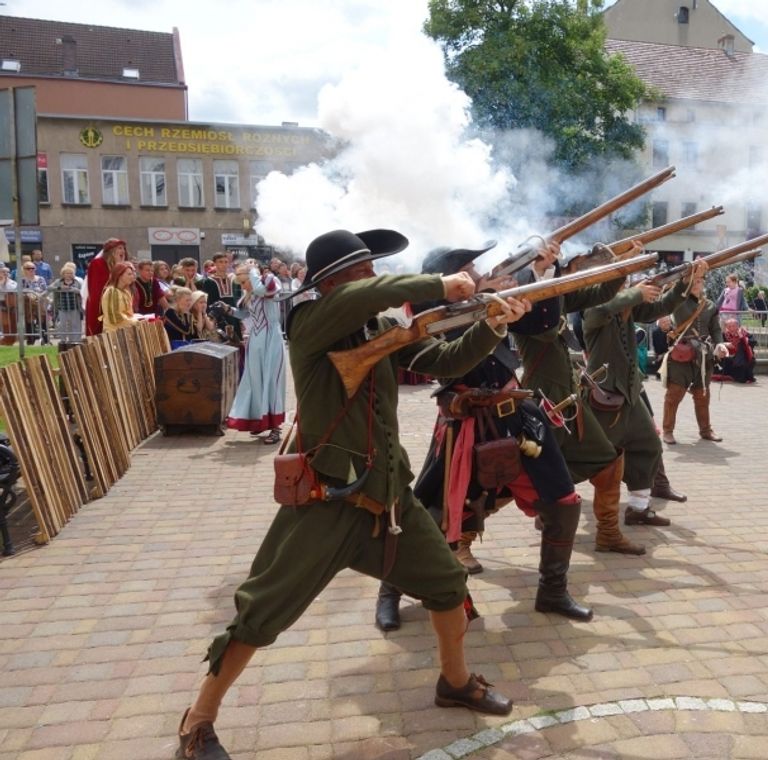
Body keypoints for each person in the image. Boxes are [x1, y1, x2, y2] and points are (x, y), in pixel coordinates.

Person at [175, 229, 527, 759]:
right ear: (334, 282)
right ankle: (197, 721)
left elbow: (445, 360)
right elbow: (361, 297)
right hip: (326, 503)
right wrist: (439, 283)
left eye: (373, 270)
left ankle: (453, 682)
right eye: (362, 271)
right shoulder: (311, 321)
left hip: (388, 499)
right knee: (261, 611)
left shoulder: (379, 325)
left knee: (449, 583)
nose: (372, 278)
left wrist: (493, 325)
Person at [377, 243, 591, 631]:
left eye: (475, 269)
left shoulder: (487, 301)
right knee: (428, 515)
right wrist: (483, 304)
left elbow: (541, 322)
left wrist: (539, 272)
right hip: (466, 423)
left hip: (517, 415)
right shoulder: (435, 316)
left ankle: (553, 591)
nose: (477, 274)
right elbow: (452, 356)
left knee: (563, 501)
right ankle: (390, 590)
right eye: (468, 270)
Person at [512, 243, 647, 555]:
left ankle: (608, 534)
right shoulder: (529, 303)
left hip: (568, 400)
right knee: (518, 476)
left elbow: (599, 293)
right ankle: (463, 540)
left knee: (608, 458)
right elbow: (545, 325)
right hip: (543, 401)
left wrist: (620, 267)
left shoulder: (558, 295)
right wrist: (546, 272)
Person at [583, 256, 705, 526]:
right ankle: (552, 506)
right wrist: (634, 293)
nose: (625, 285)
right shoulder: (594, 310)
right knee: (590, 456)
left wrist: (685, 286)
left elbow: (659, 308)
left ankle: (638, 508)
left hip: (629, 391)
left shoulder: (627, 309)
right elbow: (604, 309)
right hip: (603, 394)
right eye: (620, 282)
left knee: (649, 444)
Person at [661, 268, 728, 442]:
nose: (698, 282)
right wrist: (663, 322)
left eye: (700, 280)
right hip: (682, 352)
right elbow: (663, 308)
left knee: (702, 394)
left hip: (704, 354)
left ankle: (706, 431)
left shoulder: (710, 305)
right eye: (694, 280)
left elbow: (715, 329)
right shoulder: (677, 301)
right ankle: (667, 431)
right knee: (674, 394)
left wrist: (720, 344)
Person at [224, 264, 287, 443]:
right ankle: (261, 420)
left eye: (244, 282)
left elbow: (264, 292)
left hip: (271, 339)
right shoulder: (250, 294)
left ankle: (275, 428)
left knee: (271, 381)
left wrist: (253, 272)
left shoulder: (269, 281)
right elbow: (245, 316)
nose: (243, 286)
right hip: (255, 340)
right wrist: (227, 310)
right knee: (255, 382)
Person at [85, 238, 127, 337]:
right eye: (120, 248)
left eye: (123, 249)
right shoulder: (97, 263)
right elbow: (97, 288)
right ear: (111, 250)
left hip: (117, 304)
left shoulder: (122, 265)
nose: (123, 251)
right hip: (100, 304)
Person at [48, 263, 84, 342]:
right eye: (67, 273)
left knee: (75, 325)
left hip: (75, 307)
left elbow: (83, 291)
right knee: (62, 325)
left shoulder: (77, 282)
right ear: (63, 274)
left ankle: (75, 341)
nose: (68, 275)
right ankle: (63, 341)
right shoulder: (58, 282)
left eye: (71, 273)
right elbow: (49, 288)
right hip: (62, 307)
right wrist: (60, 288)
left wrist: (75, 290)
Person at [100, 263, 137, 332]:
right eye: (129, 274)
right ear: (119, 275)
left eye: (132, 274)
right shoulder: (112, 292)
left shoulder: (126, 292)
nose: (132, 277)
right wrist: (137, 322)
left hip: (125, 331)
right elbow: (116, 318)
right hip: (114, 334)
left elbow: (129, 314)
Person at [719, 317, 756, 383]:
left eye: (733, 326)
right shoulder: (724, 335)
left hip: (744, 357)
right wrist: (726, 344)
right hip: (729, 356)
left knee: (741, 348)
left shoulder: (744, 333)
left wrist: (742, 338)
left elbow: (753, 341)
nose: (731, 328)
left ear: (738, 326)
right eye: (729, 326)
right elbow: (717, 342)